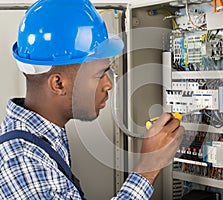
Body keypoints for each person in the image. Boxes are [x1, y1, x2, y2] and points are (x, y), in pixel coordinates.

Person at [0, 0, 184, 199]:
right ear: (58, 84)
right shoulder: (22, 162)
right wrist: (149, 166)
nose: (109, 84)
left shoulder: (44, 134)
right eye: (98, 74)